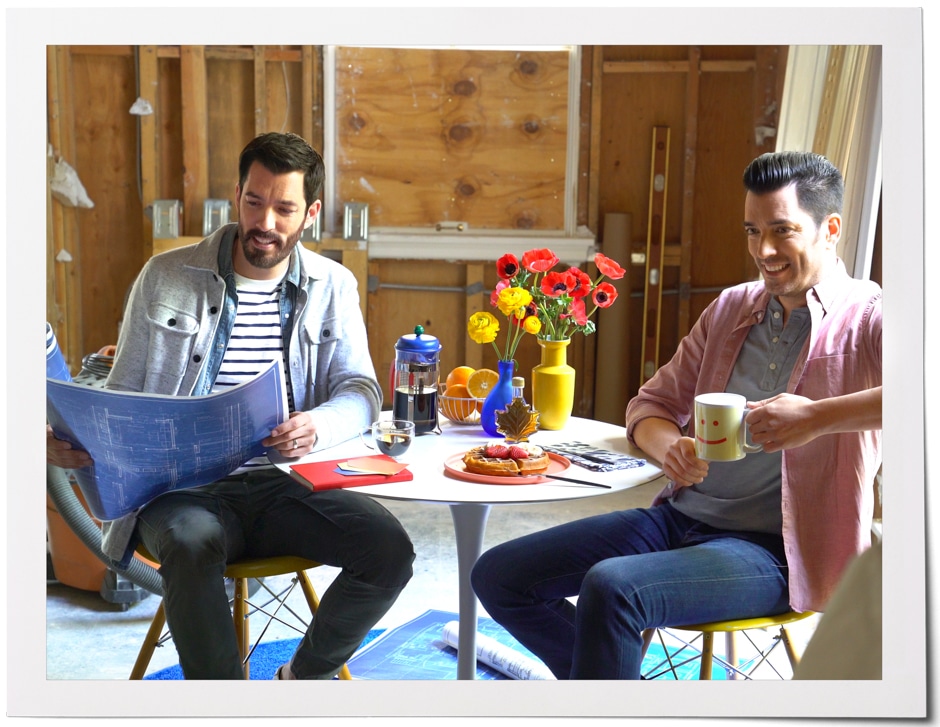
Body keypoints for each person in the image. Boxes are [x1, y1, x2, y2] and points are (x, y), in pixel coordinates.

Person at [470, 151, 882, 680]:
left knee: (614, 588)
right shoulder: (733, 308)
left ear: (831, 229)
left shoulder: (869, 314)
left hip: (778, 550)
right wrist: (671, 450)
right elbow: (651, 406)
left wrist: (817, 417)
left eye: (782, 230)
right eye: (752, 232)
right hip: (680, 516)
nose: (764, 250)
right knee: (501, 575)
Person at [47, 131, 415, 680]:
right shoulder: (165, 276)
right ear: (237, 193)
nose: (265, 221)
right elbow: (122, 397)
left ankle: (298, 682)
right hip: (179, 493)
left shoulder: (332, 285)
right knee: (194, 544)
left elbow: (361, 391)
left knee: (389, 550)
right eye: (254, 201)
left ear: (310, 213)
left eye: (284, 208)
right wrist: (77, 437)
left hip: (286, 483)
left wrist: (316, 426)